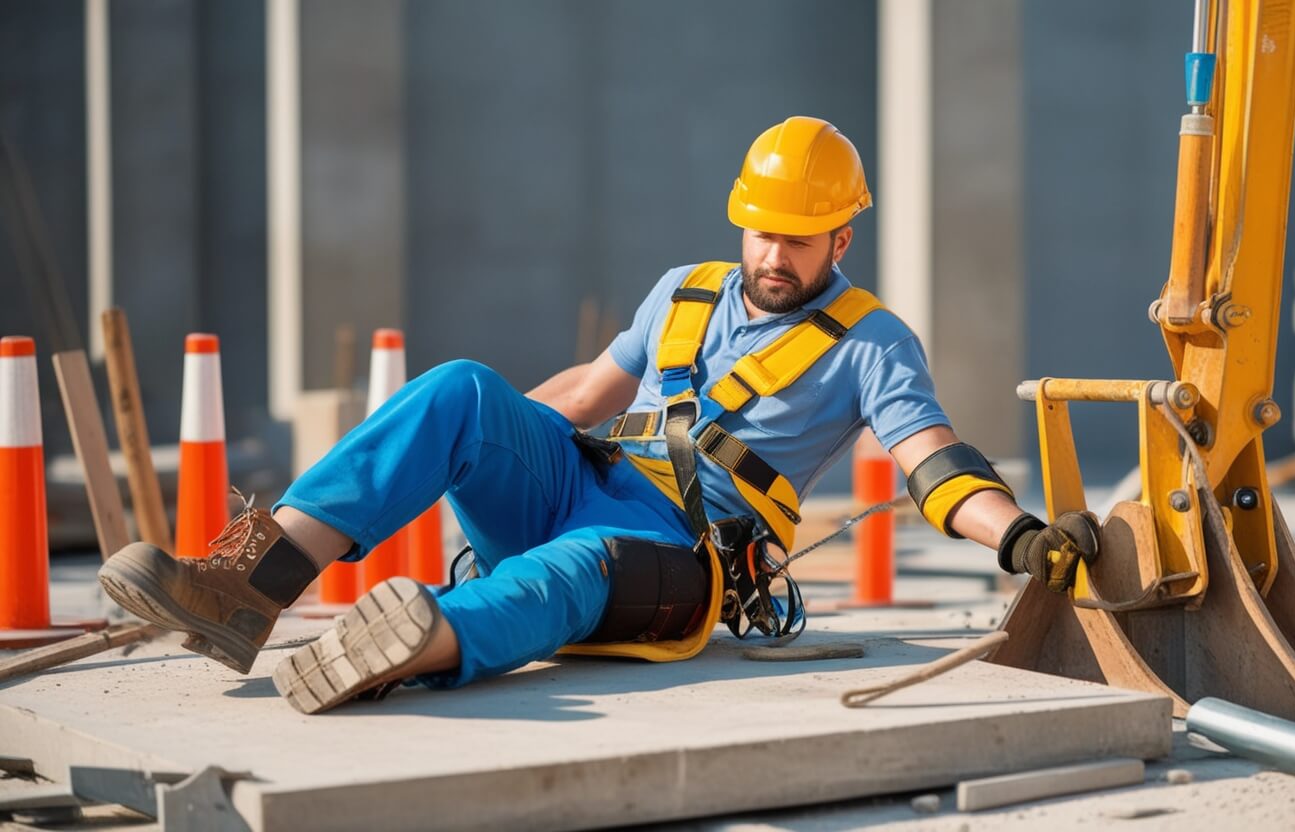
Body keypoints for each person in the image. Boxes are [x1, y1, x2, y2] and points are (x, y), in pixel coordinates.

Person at [98, 116, 1099, 715]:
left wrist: (1012, 535)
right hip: (581, 476)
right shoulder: (686, 289)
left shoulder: (872, 342)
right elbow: (580, 394)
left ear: (841, 234)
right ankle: (248, 590)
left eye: (799, 238)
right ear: (738, 218)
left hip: (674, 543)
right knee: (457, 388)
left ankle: (414, 643)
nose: (774, 255)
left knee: (570, 572)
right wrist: (471, 448)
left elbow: (929, 458)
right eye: (761, 230)